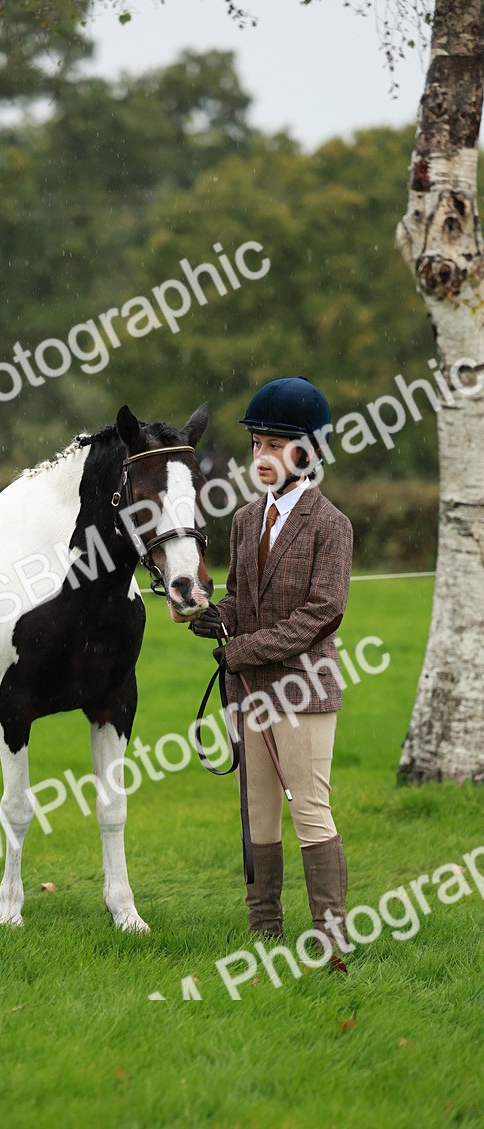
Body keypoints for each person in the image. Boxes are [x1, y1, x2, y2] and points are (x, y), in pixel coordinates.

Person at [191, 376, 353, 965]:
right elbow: (241, 598)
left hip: (302, 690)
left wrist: (243, 650)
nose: (261, 456)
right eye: (257, 444)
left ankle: (331, 936)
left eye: (274, 445)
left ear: (307, 452)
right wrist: (213, 616)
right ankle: (265, 929)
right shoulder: (243, 520)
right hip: (248, 692)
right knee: (259, 810)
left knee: (309, 808)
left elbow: (322, 615)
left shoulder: (330, 524)